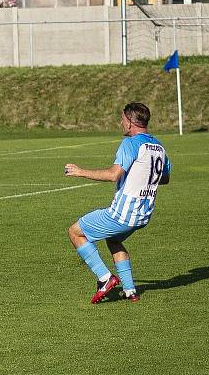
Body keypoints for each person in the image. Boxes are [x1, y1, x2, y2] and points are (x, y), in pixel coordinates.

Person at [65, 102, 171, 304]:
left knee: (75, 231)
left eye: (122, 119)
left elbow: (114, 175)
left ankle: (105, 278)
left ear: (130, 122)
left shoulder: (130, 144)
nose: (121, 122)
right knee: (113, 240)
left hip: (123, 214)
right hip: (143, 215)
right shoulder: (159, 147)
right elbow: (165, 177)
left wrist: (80, 171)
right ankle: (130, 290)